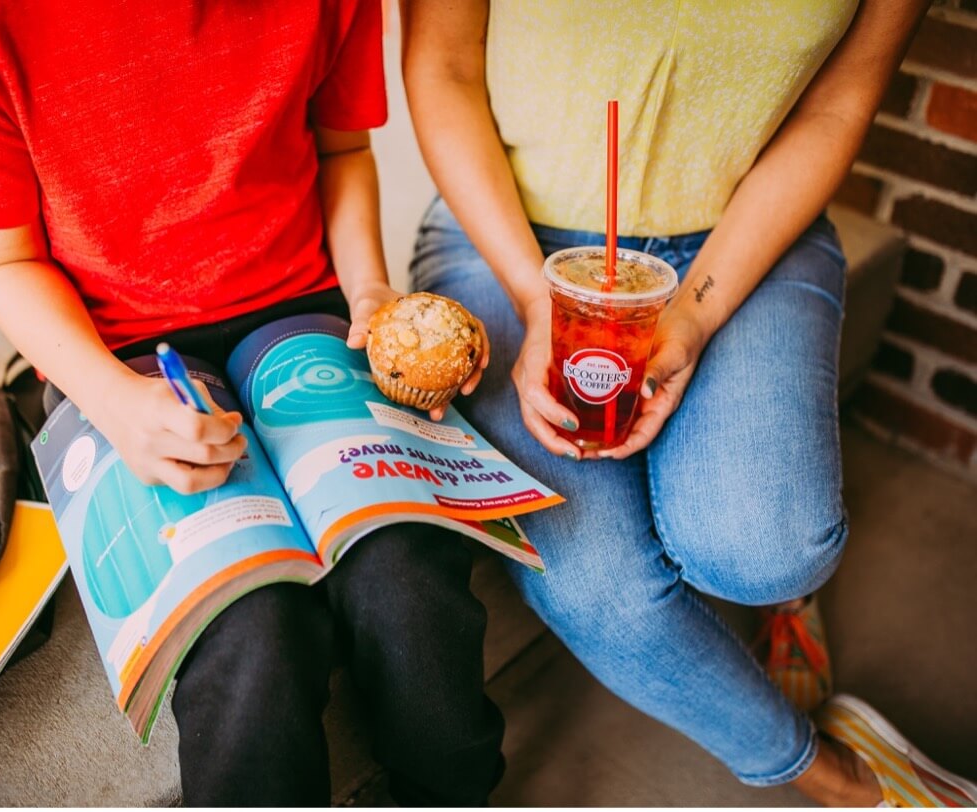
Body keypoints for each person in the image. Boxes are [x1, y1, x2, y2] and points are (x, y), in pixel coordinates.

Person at [0, 0, 502, 805]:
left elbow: (343, 149)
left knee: (405, 575)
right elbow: (6, 260)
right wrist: (114, 403)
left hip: (299, 300)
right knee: (248, 626)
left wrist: (369, 291)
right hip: (112, 348)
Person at [401, 0, 977, 806]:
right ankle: (829, 774)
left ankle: (788, 594)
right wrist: (541, 303)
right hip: (514, 237)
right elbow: (444, 67)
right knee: (595, 583)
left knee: (770, 549)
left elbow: (838, 106)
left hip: (741, 229)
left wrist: (697, 314)